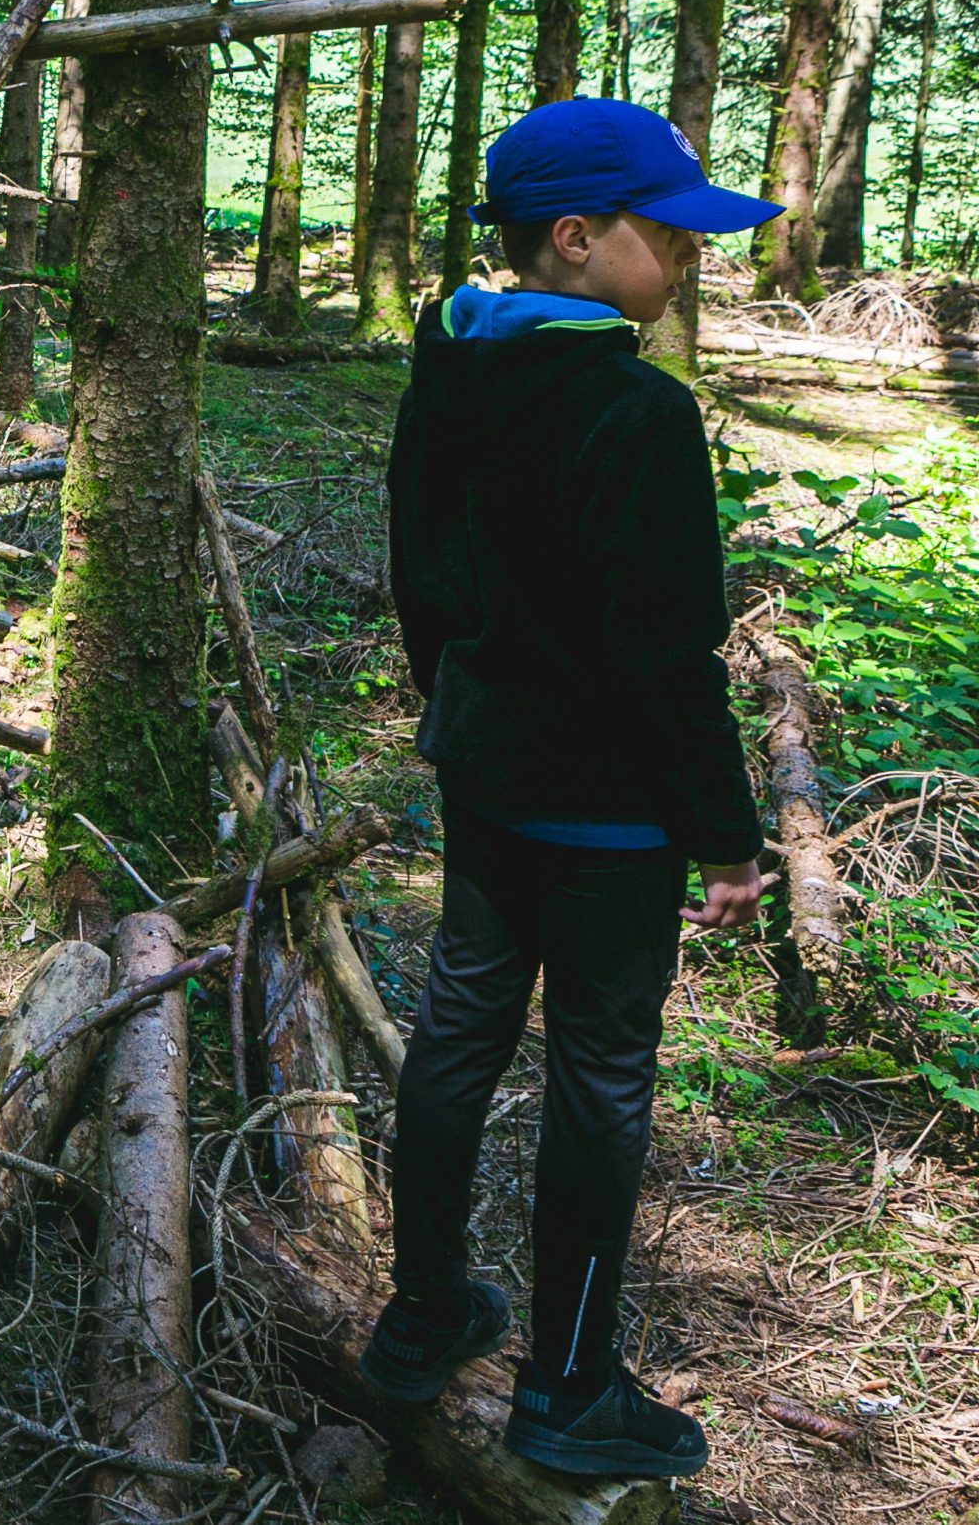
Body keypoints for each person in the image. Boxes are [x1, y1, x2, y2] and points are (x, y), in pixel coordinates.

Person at [361, 98, 774, 1477]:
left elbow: (421, 572)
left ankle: (422, 1317)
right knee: (601, 1068)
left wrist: (457, 702)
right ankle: (572, 1386)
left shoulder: (451, 365)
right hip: (609, 814)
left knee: (464, 1026)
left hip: (485, 776)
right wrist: (724, 835)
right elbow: (672, 651)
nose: (685, 260)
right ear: (577, 238)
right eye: (667, 235)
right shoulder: (640, 412)